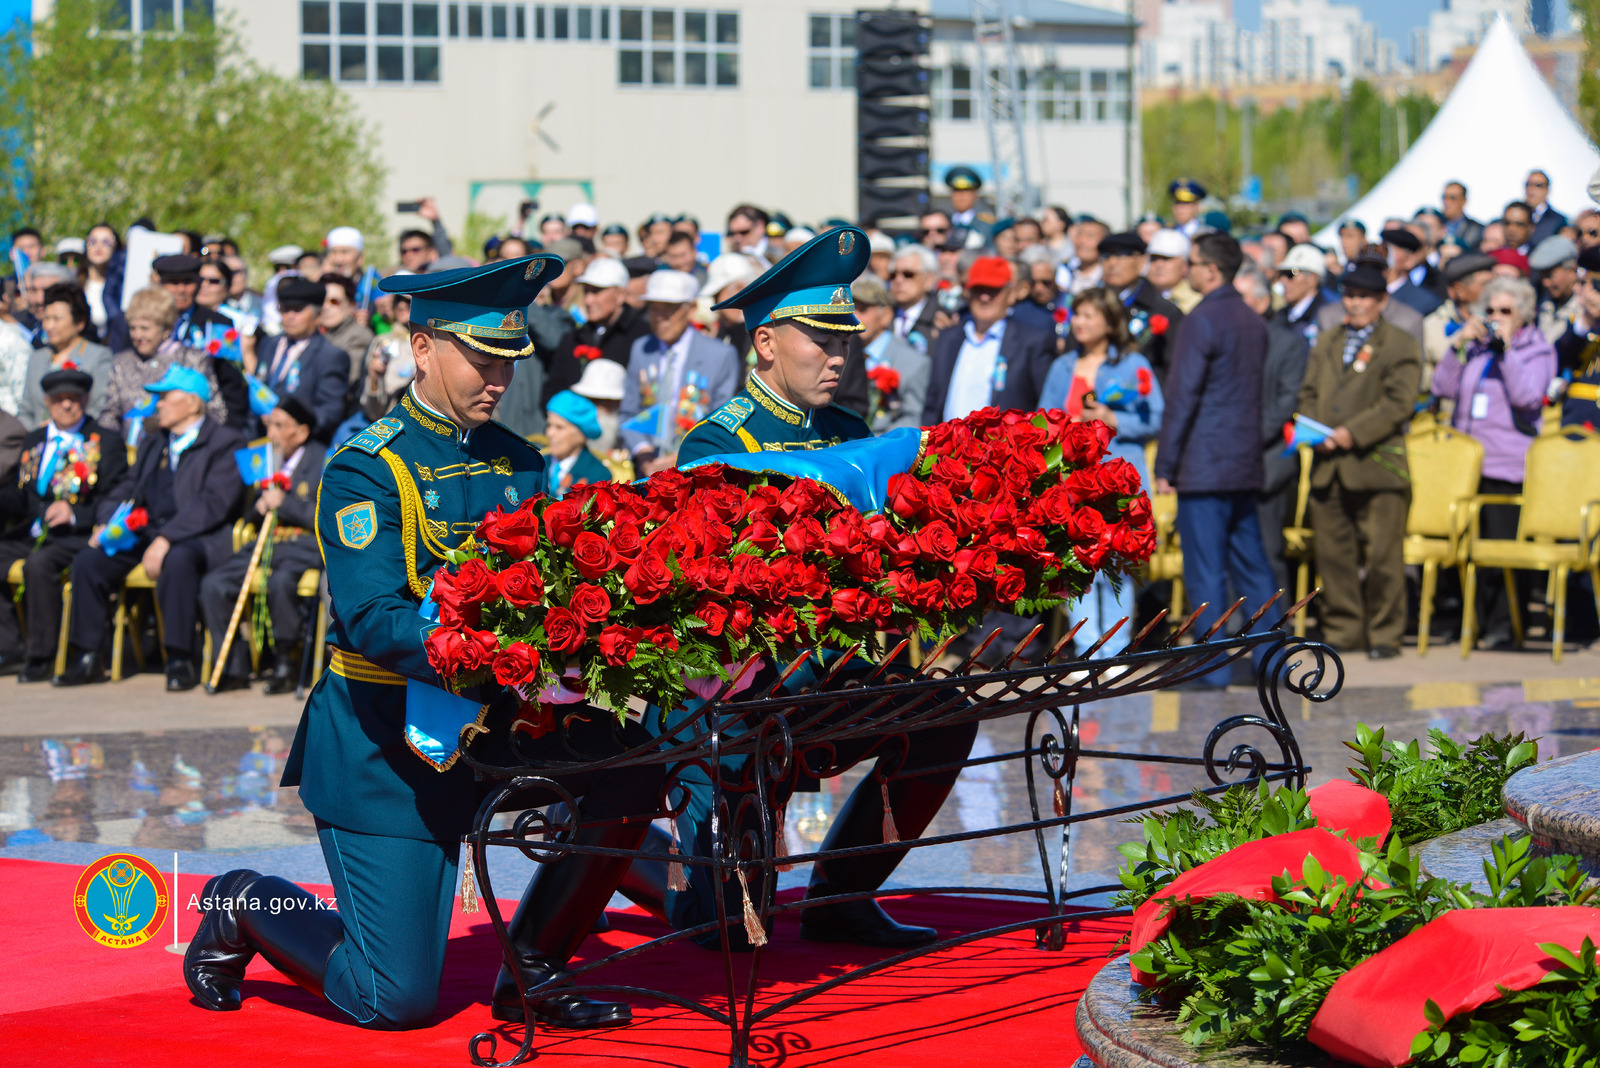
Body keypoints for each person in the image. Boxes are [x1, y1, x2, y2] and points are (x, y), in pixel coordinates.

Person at [183, 252, 662, 1032]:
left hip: (505, 721)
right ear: (423, 349)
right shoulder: (367, 468)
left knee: (640, 754)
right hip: (392, 742)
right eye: (480, 358)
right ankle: (244, 900)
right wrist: (504, 644)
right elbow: (374, 622)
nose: (497, 378)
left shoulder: (521, 460)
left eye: (508, 360)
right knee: (392, 999)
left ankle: (535, 962)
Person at [668, 227, 976, 949]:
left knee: (944, 714)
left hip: (837, 673)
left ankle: (842, 894)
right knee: (728, 929)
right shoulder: (717, 444)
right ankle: (645, 869)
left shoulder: (847, 426)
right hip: (748, 697)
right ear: (767, 343)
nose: (840, 356)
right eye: (821, 342)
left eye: (845, 342)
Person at [58, 365, 246, 689]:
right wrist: (104, 520)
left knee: (178, 562)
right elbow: (127, 487)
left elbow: (214, 504)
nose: (157, 404)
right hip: (145, 531)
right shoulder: (153, 441)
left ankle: (178, 658)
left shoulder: (225, 442)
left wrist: (167, 538)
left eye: (164, 397)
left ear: (192, 403)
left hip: (198, 538)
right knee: (89, 562)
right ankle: (88, 655)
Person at [1153, 233, 1278, 688]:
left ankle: (1210, 668)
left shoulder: (1201, 319)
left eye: (1192, 263)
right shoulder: (1251, 319)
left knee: (1205, 565)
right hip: (1242, 460)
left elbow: (1183, 396)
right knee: (1252, 563)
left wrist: (1166, 463)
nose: (1187, 269)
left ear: (1211, 270)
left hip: (1205, 463)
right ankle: (1273, 659)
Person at [1296, 261, 1420, 658]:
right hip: (1328, 464)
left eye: (1364, 296)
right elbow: (1309, 393)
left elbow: (1398, 402)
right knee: (1333, 556)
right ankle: (1344, 631)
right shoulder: (1328, 339)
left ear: (1382, 300)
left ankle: (1385, 635)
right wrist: (1315, 429)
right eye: (1349, 295)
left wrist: (1352, 432)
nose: (1355, 303)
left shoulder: (1400, 343)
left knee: (1384, 557)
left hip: (1377, 465)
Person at [1431, 275, 1558, 650]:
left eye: (1506, 311)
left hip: (1508, 465)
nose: (1496, 317)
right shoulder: (1477, 348)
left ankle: (1506, 626)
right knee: (1469, 553)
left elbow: (1528, 397)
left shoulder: (1537, 349)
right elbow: (1442, 388)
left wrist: (1507, 351)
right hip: (1467, 466)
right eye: (1490, 310)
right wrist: (1459, 344)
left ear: (1524, 315)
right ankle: (1473, 622)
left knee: (1503, 554)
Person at [1038, 288, 1164, 656]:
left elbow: (1155, 416)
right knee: (1075, 564)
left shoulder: (1132, 364)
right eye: (1077, 314)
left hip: (1118, 478)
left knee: (1118, 564)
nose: (1080, 322)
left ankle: (1116, 649)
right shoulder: (1061, 366)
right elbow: (1041, 419)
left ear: (1110, 322)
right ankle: (1087, 648)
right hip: (1071, 481)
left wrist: (1114, 419)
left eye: (1089, 315)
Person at [0, 367, 128, 680]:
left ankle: (42, 655)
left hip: (77, 535)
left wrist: (75, 515)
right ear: (47, 403)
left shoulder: (104, 441)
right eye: (59, 399)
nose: (67, 405)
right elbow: (22, 494)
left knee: (39, 565)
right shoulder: (35, 439)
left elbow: (115, 497)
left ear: (85, 400)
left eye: (74, 399)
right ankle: (10, 646)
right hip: (33, 531)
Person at [198, 397, 326, 693]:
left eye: (280, 426)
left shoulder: (323, 459)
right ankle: (232, 667)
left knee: (280, 582)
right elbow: (246, 516)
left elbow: (325, 515)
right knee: (214, 583)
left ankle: (285, 663)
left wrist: (286, 504)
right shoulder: (266, 461)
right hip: (267, 542)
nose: (271, 434)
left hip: (302, 546)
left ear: (302, 432)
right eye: (270, 425)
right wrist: (258, 507)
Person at [1233, 267, 1310, 593]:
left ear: (1263, 303)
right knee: (1230, 550)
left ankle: (1273, 623)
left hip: (1267, 461)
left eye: (1242, 299)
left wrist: (1242, 439)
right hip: (1228, 461)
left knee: (1266, 548)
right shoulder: (1229, 339)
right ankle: (1232, 622)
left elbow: (1285, 403)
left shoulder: (1289, 344)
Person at [619, 269, 739, 476]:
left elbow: (720, 422)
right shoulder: (641, 349)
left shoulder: (720, 355)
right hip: (647, 467)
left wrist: (678, 458)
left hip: (696, 466)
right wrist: (643, 453)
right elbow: (629, 412)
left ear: (690, 308)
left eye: (669, 309)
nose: (660, 317)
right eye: (654, 308)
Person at [923, 256, 1056, 425]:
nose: (985, 297)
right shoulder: (948, 338)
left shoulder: (1032, 342)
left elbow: (1043, 409)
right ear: (968, 293)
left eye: (993, 290)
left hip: (1002, 449)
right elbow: (933, 402)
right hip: (949, 447)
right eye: (979, 289)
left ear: (1010, 294)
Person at [100, 286, 227, 440]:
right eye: (133, 328)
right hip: (128, 452)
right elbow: (109, 414)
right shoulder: (122, 361)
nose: (138, 335)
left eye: (145, 329)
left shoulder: (190, 358)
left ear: (166, 329)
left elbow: (216, 412)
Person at [543, 256, 650, 403]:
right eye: (586, 292)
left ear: (620, 294)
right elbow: (553, 391)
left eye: (597, 291)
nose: (588, 300)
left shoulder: (643, 338)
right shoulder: (573, 337)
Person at [255, 277, 350, 442]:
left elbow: (330, 412)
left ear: (318, 315)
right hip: (259, 441)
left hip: (300, 446)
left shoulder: (330, 356)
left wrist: (291, 425)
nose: (290, 316)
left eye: (297, 310)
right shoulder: (269, 344)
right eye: (285, 309)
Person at [19, 283, 114, 429]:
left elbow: (99, 407)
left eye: (56, 319)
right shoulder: (37, 358)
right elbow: (25, 411)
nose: (49, 326)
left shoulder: (99, 357)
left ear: (80, 322)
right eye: (46, 319)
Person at [849, 274, 931, 433]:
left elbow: (913, 418)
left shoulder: (914, 362)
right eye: (851, 309)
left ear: (886, 315)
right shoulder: (840, 352)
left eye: (863, 310)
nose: (854, 316)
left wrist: (875, 444)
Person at [1097, 231, 1183, 378]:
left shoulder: (1164, 311)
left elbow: (1172, 368)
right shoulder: (1094, 304)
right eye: (1106, 257)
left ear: (1141, 261)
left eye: (1120, 256)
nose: (1112, 263)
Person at [1421, 251, 1497, 395]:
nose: (1493, 292)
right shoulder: (1432, 326)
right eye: (1486, 285)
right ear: (1459, 290)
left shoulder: (1502, 320)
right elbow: (1422, 381)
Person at [542, 389, 612, 498]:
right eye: (549, 425)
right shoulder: (537, 464)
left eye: (559, 427)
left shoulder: (598, 475)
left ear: (581, 436)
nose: (549, 433)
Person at [887, 244, 943, 355]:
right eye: (893, 275)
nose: (898, 280)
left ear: (929, 279)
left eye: (908, 274)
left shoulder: (941, 320)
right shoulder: (882, 315)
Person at [318, 273, 376, 381]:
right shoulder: (319, 333)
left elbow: (347, 379)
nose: (325, 307)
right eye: (321, 300)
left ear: (352, 305)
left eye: (334, 301)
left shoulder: (358, 336)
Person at [83, 223, 129, 353]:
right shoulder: (76, 284)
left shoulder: (121, 288)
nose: (98, 246)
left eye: (106, 242)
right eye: (92, 241)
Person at [1275, 243, 1331, 347]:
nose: (1283, 280)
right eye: (1282, 274)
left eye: (1291, 274)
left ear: (1312, 280)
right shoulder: (1279, 316)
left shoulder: (1327, 318)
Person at [1381, 228, 1444, 317]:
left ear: (1409, 260)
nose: (1381, 256)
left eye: (1388, 251)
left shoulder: (1425, 302)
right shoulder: (1362, 292)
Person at [1531, 235, 1580, 342]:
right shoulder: (1541, 302)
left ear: (1572, 271)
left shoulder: (1587, 310)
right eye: (1542, 277)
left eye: (1549, 276)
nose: (1545, 283)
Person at [1146, 229, 1198, 313]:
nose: (1159, 265)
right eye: (1154, 258)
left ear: (1185, 264)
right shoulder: (1138, 298)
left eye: (1166, 258)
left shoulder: (1196, 302)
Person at [941, 166, 996, 238]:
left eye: (966, 191)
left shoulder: (988, 225)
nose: (961, 196)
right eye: (957, 191)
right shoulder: (942, 223)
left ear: (975, 195)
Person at [1524, 170, 1569, 247]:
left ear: (1547, 190)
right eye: (1528, 184)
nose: (1531, 188)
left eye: (1538, 185)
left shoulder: (1558, 220)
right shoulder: (1515, 215)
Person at [1441, 181, 1483, 251]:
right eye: (1444, 197)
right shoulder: (1436, 225)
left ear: (1463, 201)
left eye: (1452, 198)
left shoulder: (1476, 229)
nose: (1447, 202)